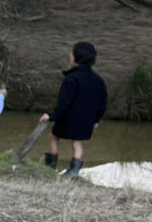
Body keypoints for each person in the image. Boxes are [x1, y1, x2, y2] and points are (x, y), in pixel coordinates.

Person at [40, 41, 107, 179]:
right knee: (77, 142)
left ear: (77, 57)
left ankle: (49, 169)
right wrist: (96, 120)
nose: (70, 56)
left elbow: (64, 104)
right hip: (86, 120)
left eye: (72, 53)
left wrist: (51, 116)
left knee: (54, 137)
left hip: (69, 118)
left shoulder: (71, 79)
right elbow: (102, 104)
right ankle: (73, 173)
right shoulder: (98, 80)